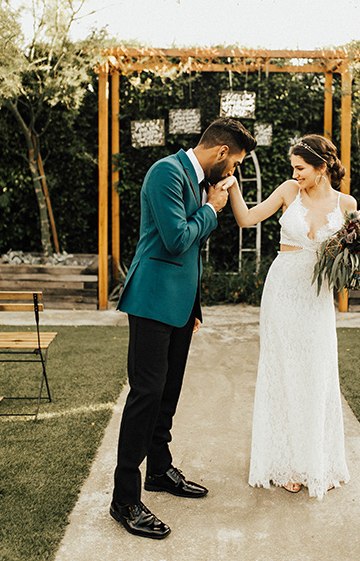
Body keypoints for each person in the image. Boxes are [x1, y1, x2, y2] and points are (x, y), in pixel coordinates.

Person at [110, 117, 256, 540]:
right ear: (221, 153)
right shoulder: (166, 173)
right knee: (145, 395)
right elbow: (176, 239)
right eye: (234, 165)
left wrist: (193, 306)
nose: (232, 174)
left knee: (167, 393)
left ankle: (158, 470)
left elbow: (188, 247)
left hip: (178, 307)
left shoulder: (198, 179)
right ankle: (124, 499)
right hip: (152, 301)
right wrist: (212, 208)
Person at [223, 133, 356, 498]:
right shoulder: (287, 191)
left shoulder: (347, 204)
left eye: (300, 168)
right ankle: (286, 462)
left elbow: (353, 257)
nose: (295, 173)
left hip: (317, 297)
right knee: (283, 370)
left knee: (317, 371)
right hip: (282, 291)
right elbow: (247, 219)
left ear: (322, 168)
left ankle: (316, 460)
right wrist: (233, 185)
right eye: (293, 168)